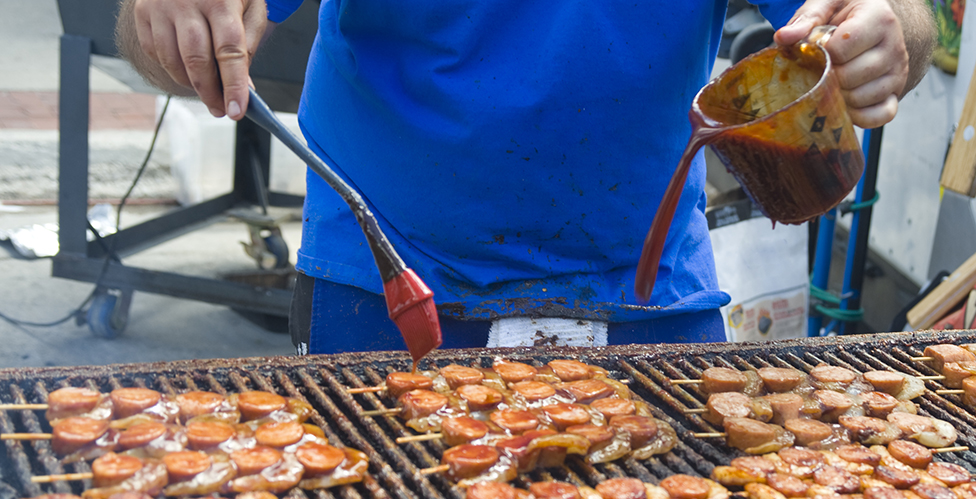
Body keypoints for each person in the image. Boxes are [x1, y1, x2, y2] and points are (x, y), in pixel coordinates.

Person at [116, 0, 936, 354]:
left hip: (647, 297)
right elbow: (149, 31)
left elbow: (904, 19)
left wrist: (888, 32)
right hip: (389, 285)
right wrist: (168, 25)